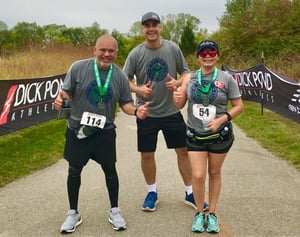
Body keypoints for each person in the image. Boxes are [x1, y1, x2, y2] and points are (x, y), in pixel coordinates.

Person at [54, 34, 149, 233]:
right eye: (103, 50)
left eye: (111, 51)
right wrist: (61, 98)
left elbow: (125, 104)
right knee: (74, 171)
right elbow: (66, 92)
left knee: (110, 170)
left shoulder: (120, 76)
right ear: (95, 50)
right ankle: (73, 213)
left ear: (116, 53)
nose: (107, 54)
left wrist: (137, 112)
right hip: (78, 130)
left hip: (104, 132)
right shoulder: (78, 67)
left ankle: (115, 210)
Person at [123, 11, 208, 212]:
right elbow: (124, 79)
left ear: (160, 27)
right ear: (142, 29)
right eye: (147, 25)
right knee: (147, 154)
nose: (151, 28)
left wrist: (179, 83)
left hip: (171, 110)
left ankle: (189, 192)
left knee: (183, 151)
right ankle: (152, 192)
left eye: (155, 25)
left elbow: (186, 72)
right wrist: (138, 89)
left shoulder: (172, 48)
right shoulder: (135, 53)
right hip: (146, 112)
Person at [173, 39, 243, 233]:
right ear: (198, 57)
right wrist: (176, 96)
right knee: (198, 175)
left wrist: (222, 120)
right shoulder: (191, 78)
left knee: (214, 173)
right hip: (196, 135)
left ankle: (211, 214)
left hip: (219, 135)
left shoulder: (226, 79)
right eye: (203, 53)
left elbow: (239, 106)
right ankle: (198, 212)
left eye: (212, 52)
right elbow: (179, 105)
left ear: (217, 56)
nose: (208, 56)